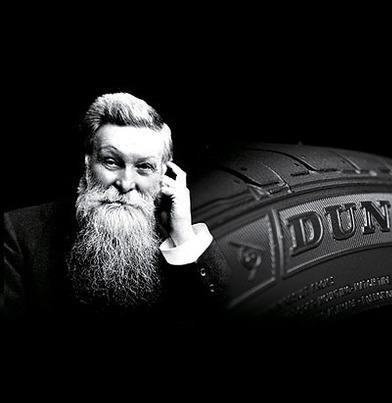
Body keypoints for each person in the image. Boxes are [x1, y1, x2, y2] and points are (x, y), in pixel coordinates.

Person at [3, 93, 230, 322]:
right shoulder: (20, 231)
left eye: (144, 166)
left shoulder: (172, 239)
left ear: (163, 174)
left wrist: (182, 233)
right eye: (111, 162)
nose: (126, 183)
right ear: (88, 162)